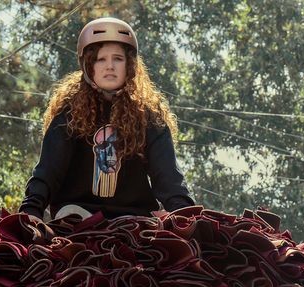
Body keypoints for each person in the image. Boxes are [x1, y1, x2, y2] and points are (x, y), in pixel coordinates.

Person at [20, 17, 194, 220]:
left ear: (130, 65)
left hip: (135, 220)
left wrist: (185, 215)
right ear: (88, 65)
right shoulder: (68, 115)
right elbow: (49, 170)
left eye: (118, 59)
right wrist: (31, 209)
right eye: (100, 59)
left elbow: (168, 178)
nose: (109, 66)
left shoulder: (149, 117)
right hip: (75, 216)